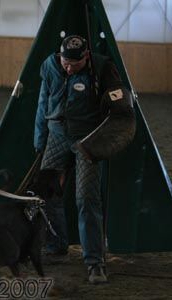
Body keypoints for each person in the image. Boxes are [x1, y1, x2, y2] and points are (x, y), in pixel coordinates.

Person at [34, 35, 124, 284]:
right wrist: (39, 140)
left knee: (86, 197)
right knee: (46, 192)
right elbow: (42, 103)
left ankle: (95, 262)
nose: (69, 68)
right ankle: (56, 246)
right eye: (65, 62)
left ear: (86, 56)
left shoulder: (103, 69)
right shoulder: (50, 66)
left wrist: (107, 144)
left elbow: (119, 111)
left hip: (89, 141)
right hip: (57, 135)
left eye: (74, 64)